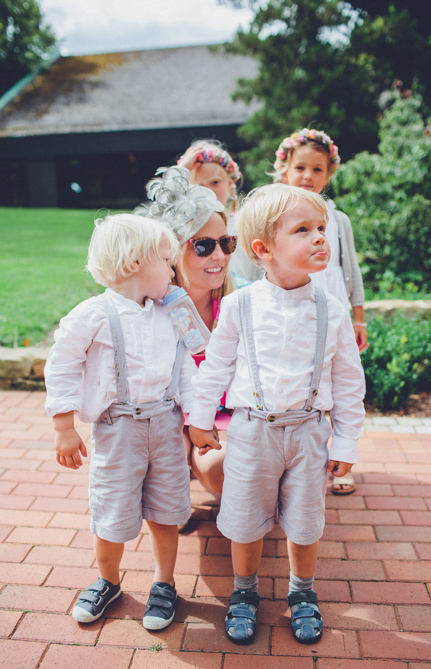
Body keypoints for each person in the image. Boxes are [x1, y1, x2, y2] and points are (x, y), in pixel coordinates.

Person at [187, 183, 365, 645]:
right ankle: (244, 593)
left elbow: (348, 381)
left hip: (309, 432)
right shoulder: (240, 305)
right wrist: (200, 418)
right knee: (244, 520)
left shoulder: (332, 309)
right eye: (303, 229)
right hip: (251, 430)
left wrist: (346, 443)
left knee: (306, 523)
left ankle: (302, 593)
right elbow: (217, 366)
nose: (320, 237)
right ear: (264, 249)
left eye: (322, 227)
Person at [45, 214, 196, 630]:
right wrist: (63, 426)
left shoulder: (173, 312)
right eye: (167, 260)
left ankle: (164, 583)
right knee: (112, 509)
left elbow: (187, 367)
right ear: (133, 264)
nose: (173, 269)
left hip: (166, 424)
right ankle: (108, 579)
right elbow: (61, 366)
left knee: (166, 508)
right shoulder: (91, 315)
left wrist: (197, 419)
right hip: (117, 430)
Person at [272, 127, 368, 496]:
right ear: (285, 170)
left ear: (329, 173)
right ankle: (292, 459)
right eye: (300, 168)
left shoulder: (337, 220)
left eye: (317, 169)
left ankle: (342, 458)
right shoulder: (276, 213)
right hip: (294, 313)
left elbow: (352, 270)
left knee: (341, 382)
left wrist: (358, 317)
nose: (308, 176)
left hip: (334, 314)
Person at [136, 166, 235, 496]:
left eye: (226, 243)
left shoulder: (240, 302)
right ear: (174, 251)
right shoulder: (152, 311)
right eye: (204, 246)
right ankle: (170, 496)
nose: (219, 255)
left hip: (229, 416)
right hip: (170, 418)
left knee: (223, 464)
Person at [177, 139, 261, 284]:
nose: (208, 191)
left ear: (229, 184)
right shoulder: (182, 225)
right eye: (199, 185)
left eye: (215, 183)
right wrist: (180, 172)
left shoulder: (246, 223)